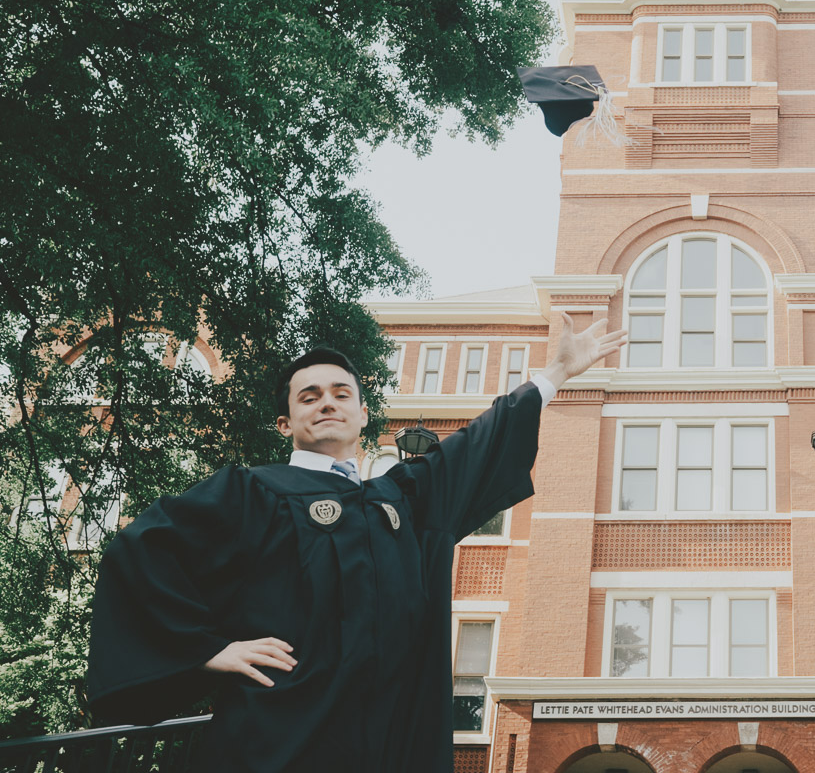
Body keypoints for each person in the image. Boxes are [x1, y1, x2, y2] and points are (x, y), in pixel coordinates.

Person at [86, 314, 625, 772]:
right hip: (282, 737)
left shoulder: (402, 498)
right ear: (285, 421)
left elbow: (476, 446)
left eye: (343, 393)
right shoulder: (252, 491)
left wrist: (555, 374)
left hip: (391, 741)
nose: (328, 403)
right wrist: (206, 650)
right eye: (310, 396)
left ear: (364, 415)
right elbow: (139, 554)